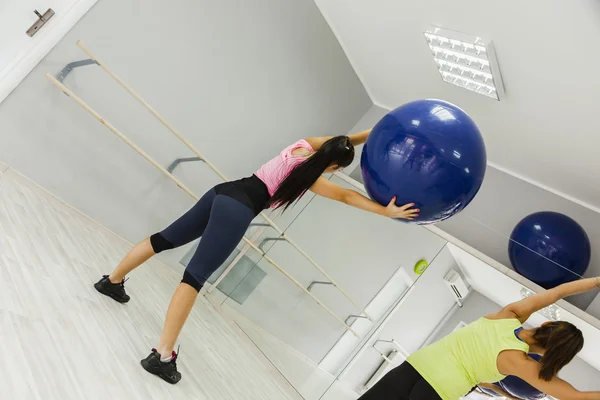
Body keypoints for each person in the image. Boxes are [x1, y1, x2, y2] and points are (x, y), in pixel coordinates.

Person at [94, 132, 419, 384]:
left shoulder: (303, 146)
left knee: (163, 239)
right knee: (193, 278)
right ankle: (162, 357)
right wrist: (386, 210)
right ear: (333, 167)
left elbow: (342, 143)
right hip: (237, 211)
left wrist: (377, 132)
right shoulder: (312, 178)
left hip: (223, 191)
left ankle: (112, 281)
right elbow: (348, 195)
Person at [359, 276, 600, 400]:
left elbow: (558, 292)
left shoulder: (509, 315)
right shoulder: (519, 362)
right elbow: (574, 397)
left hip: (413, 368)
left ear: (547, 324)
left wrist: (597, 281)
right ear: (551, 353)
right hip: (439, 391)